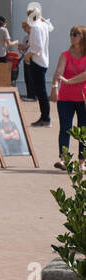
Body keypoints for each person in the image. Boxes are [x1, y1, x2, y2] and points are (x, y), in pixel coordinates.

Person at [50, 24, 86, 170]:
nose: (72, 36)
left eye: (75, 34)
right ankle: (64, 159)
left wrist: (69, 81)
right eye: (71, 34)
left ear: (82, 37)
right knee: (65, 128)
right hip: (65, 98)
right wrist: (54, 87)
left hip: (83, 99)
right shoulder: (65, 55)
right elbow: (58, 72)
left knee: (83, 130)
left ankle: (82, 162)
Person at [22, 4, 54, 126]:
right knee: (41, 90)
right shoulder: (43, 25)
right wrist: (41, 17)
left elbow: (37, 47)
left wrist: (28, 55)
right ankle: (45, 116)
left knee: (40, 91)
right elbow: (51, 26)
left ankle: (45, 118)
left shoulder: (35, 27)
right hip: (44, 60)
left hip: (37, 61)